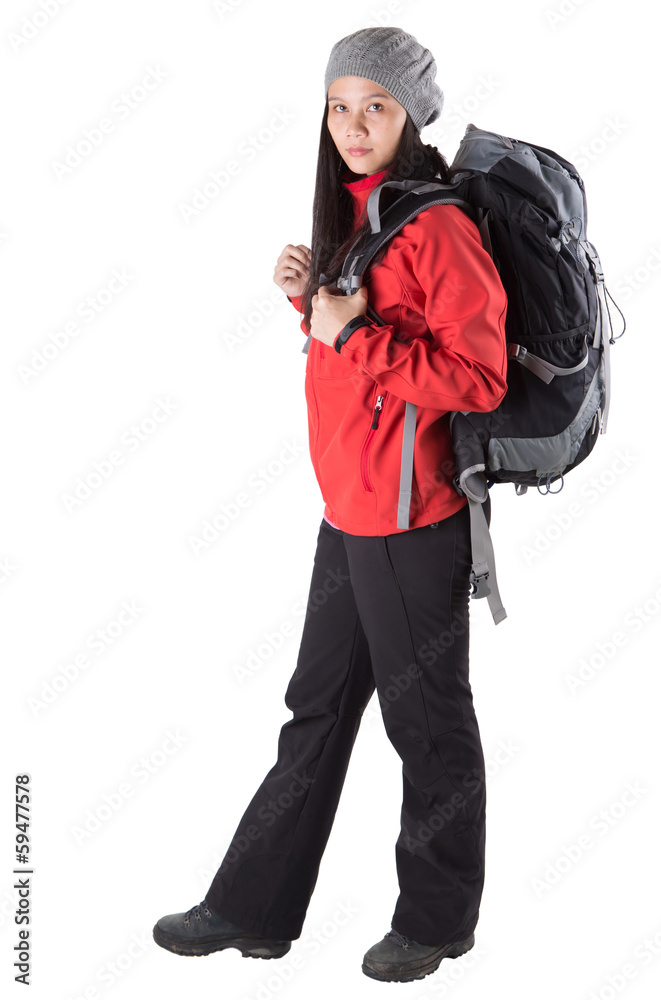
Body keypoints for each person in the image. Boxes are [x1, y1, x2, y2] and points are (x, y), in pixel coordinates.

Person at [153, 26, 508, 984]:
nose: (353, 125)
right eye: (338, 106)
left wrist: (349, 334)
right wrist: (312, 304)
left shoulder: (435, 226)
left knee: (426, 726)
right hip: (350, 511)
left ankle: (437, 921)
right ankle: (253, 909)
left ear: (410, 116)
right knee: (313, 712)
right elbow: (369, 347)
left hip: (411, 521)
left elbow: (476, 378)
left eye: (375, 107)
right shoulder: (363, 212)